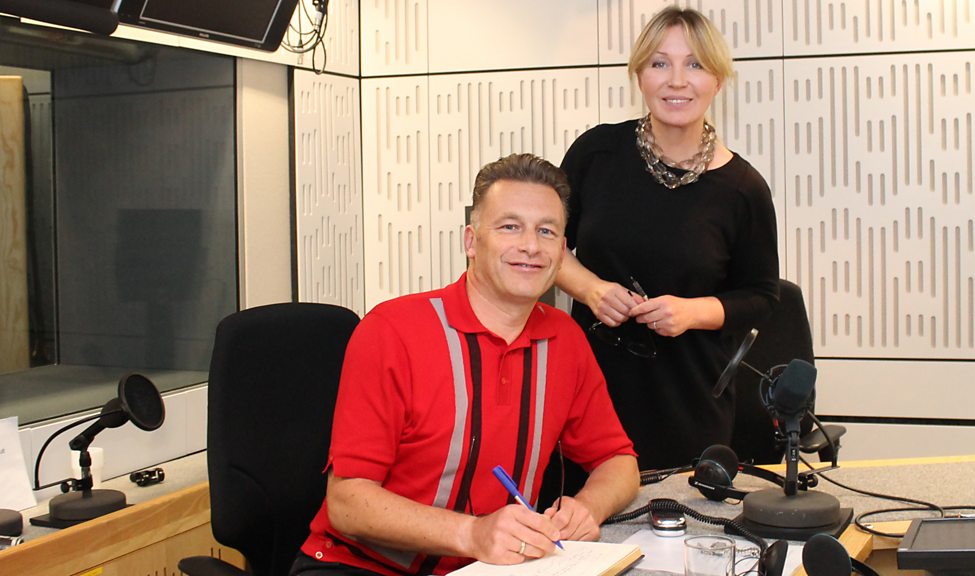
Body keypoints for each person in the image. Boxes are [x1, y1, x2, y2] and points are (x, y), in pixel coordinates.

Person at [291, 153, 640, 576]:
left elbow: (619, 462)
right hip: (359, 566)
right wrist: (473, 534)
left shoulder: (565, 339)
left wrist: (587, 508)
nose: (531, 246)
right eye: (510, 227)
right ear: (471, 242)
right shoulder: (391, 331)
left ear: (562, 252)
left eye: (546, 231)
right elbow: (347, 503)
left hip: (492, 567)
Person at [556, 6, 779, 472]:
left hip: (689, 400)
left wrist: (690, 312)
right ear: (639, 76)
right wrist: (591, 290)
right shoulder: (596, 153)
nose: (677, 81)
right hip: (591, 390)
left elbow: (761, 297)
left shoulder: (744, 189)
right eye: (660, 63)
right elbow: (547, 246)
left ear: (718, 81)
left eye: (695, 64)